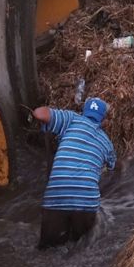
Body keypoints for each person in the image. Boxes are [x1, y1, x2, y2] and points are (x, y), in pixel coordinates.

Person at [32, 97, 117, 250]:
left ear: (83, 111)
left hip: (57, 197)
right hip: (86, 202)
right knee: (80, 250)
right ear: (103, 119)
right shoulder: (107, 142)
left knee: (47, 250)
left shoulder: (71, 119)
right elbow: (112, 167)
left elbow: (39, 114)